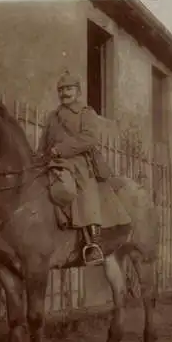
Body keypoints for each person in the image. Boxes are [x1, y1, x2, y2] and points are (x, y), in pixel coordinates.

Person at [38, 70, 111, 264]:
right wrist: (39, 158)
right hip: (51, 161)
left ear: (78, 91)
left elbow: (90, 138)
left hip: (77, 162)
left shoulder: (86, 112)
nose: (65, 93)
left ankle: (93, 242)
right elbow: (43, 143)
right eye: (61, 90)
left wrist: (61, 149)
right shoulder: (52, 117)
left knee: (85, 190)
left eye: (69, 89)